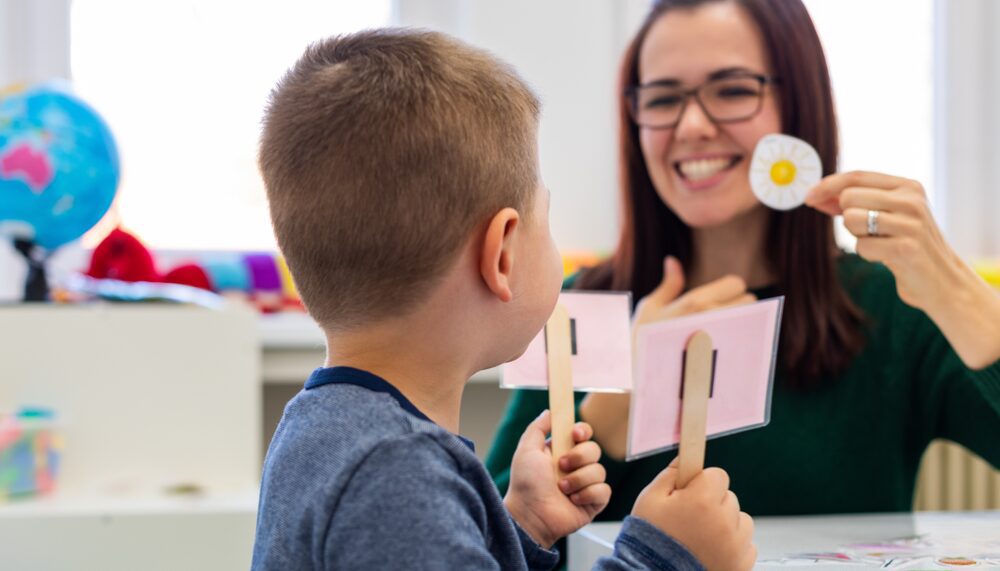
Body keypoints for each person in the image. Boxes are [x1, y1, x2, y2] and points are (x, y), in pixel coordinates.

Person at [251, 29, 756, 570]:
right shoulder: (398, 474)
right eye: (547, 218)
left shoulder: (321, 429)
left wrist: (519, 527)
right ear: (502, 255)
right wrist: (664, 559)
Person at [487, 0, 1000, 524]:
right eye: (663, 99)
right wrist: (615, 405)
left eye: (732, 91)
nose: (691, 125)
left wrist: (954, 288)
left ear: (799, 106)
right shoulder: (574, 309)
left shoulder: (888, 307)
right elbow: (487, 544)